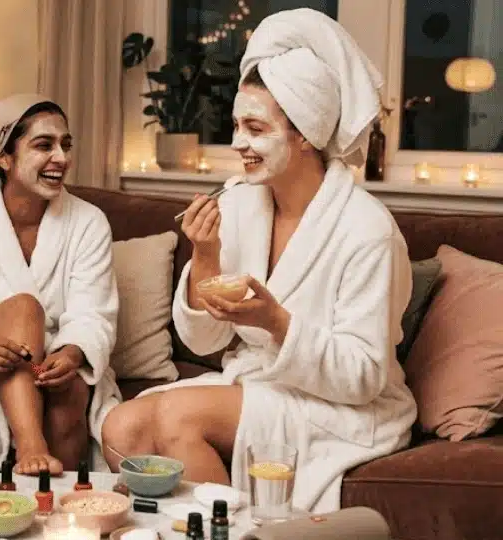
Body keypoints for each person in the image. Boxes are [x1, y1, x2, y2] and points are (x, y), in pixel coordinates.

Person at [101, 9, 417, 513]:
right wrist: (205, 254)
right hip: (258, 383)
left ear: (306, 133)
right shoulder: (243, 205)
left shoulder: (367, 230)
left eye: (255, 127)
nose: (237, 144)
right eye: (235, 125)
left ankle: (234, 530)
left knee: (179, 417)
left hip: (340, 406)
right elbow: (204, 339)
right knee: (119, 425)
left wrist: (276, 322)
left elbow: (363, 377)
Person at [0, 94, 121, 476]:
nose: (61, 157)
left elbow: (93, 313)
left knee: (71, 390)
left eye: (66, 145)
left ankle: (56, 504)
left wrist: (75, 353)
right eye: (44, 145)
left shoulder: (89, 222)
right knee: (23, 307)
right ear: (5, 157)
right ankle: (31, 446)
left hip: (55, 367)